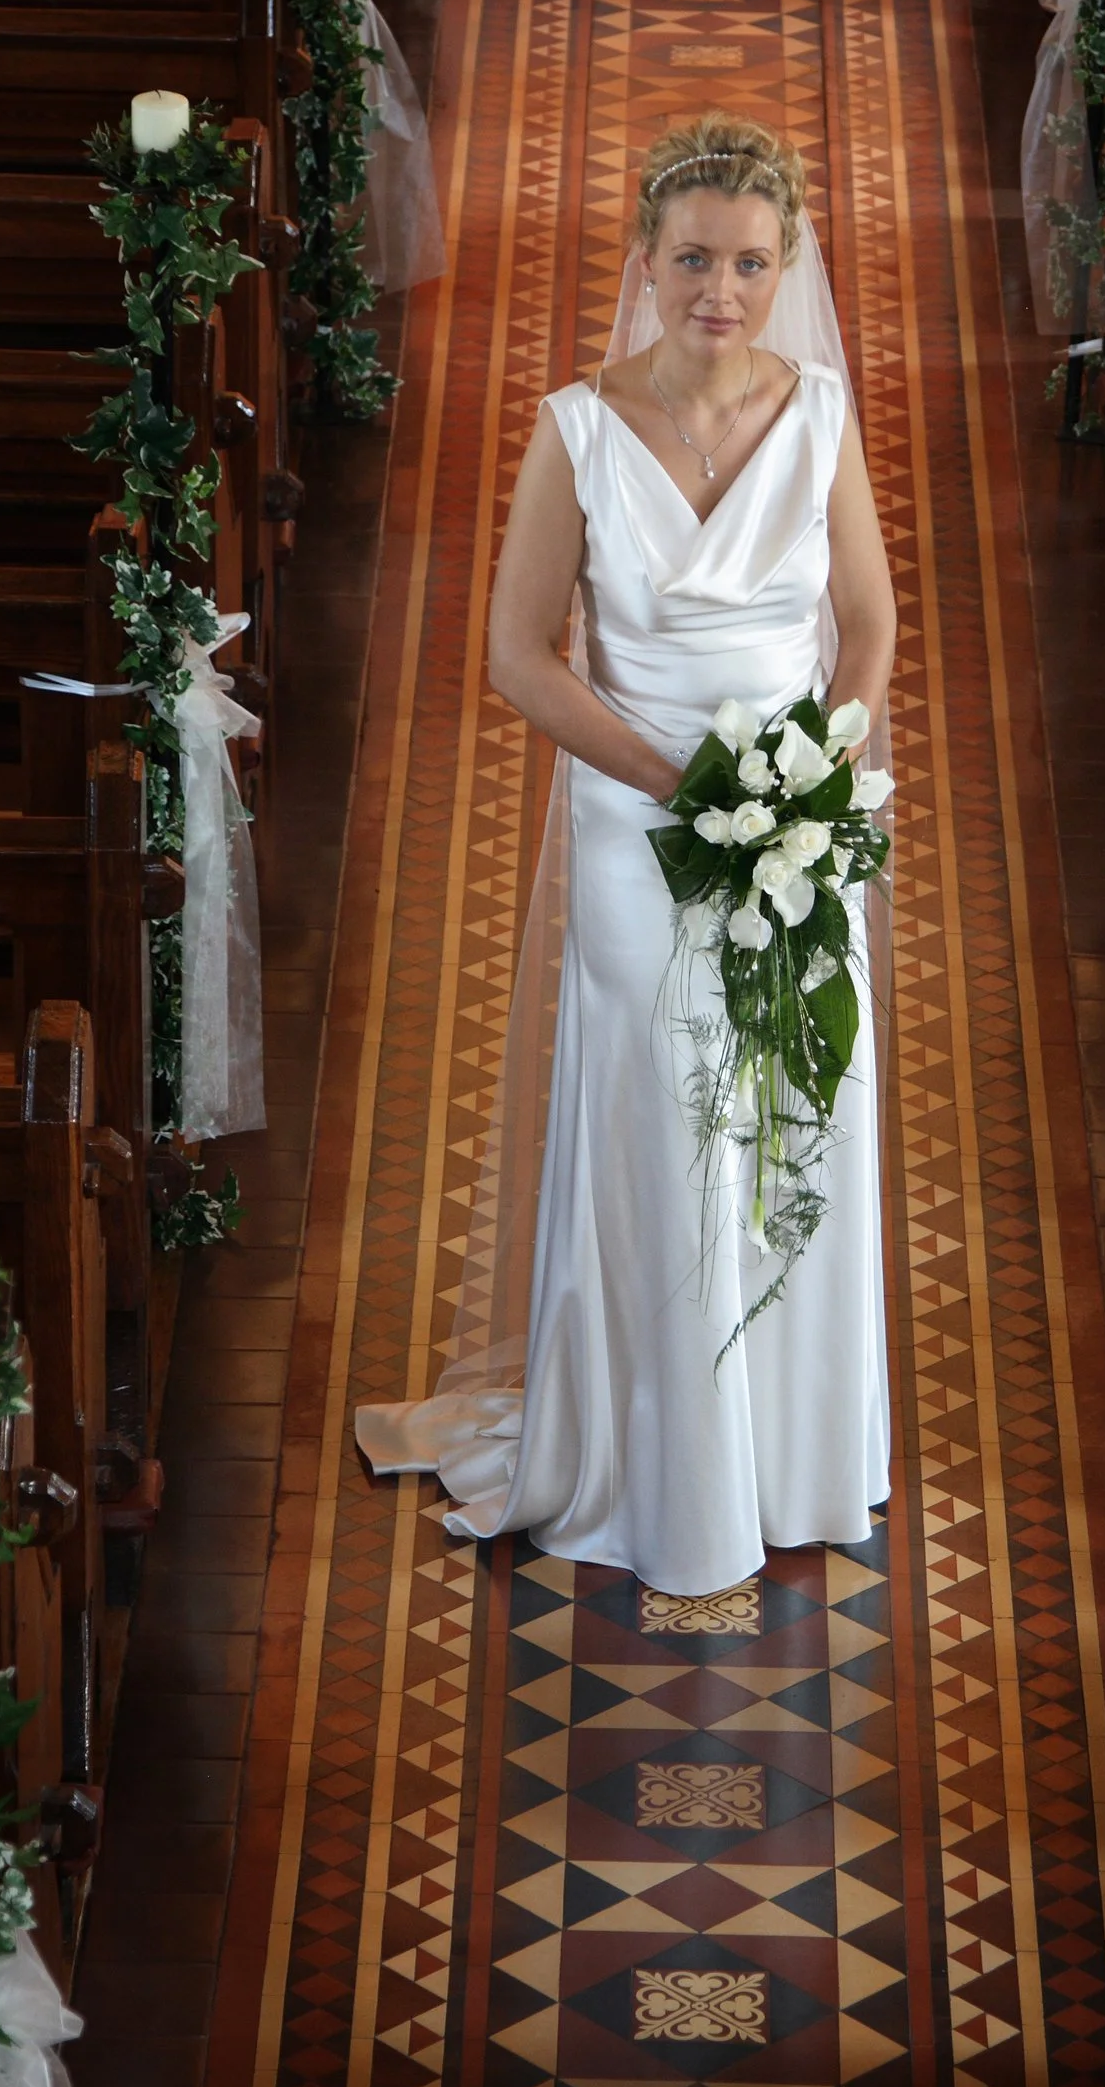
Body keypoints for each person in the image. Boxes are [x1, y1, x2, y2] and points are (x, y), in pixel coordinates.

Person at [355, 110, 896, 1595]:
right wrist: (685, 786)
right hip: (633, 831)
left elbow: (869, 625)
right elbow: (520, 659)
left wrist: (814, 767)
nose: (722, 290)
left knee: (800, 1104)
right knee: (665, 1126)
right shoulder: (576, 429)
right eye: (695, 260)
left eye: (752, 263)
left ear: (783, 269)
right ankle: (668, 1468)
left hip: (793, 831)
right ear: (647, 264)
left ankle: (792, 1455)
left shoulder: (825, 416)